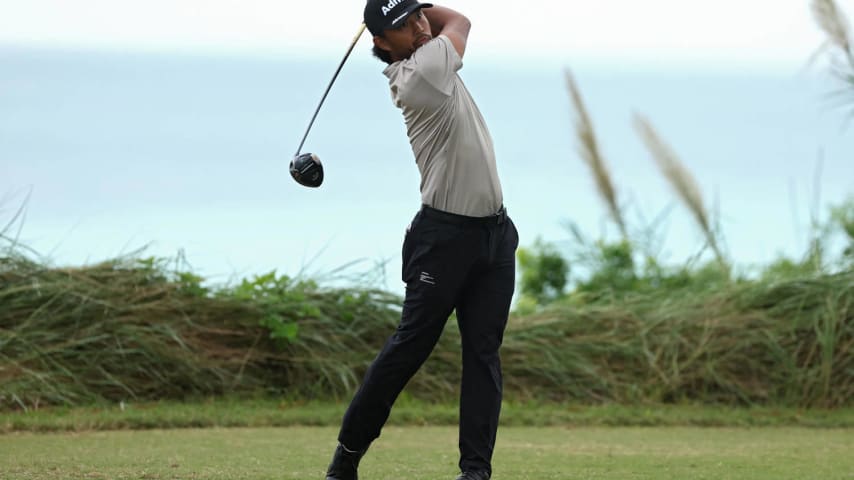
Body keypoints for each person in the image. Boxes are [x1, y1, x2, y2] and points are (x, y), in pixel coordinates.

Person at [324, 2, 518, 479]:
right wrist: (425, 3)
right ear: (380, 45)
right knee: (409, 348)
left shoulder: (427, 56)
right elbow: (461, 21)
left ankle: (475, 472)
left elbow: (436, 26)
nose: (418, 26)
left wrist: (403, 4)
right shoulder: (421, 74)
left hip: (494, 236)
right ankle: (345, 459)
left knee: (483, 355)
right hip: (444, 239)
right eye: (404, 25)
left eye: (416, 17)